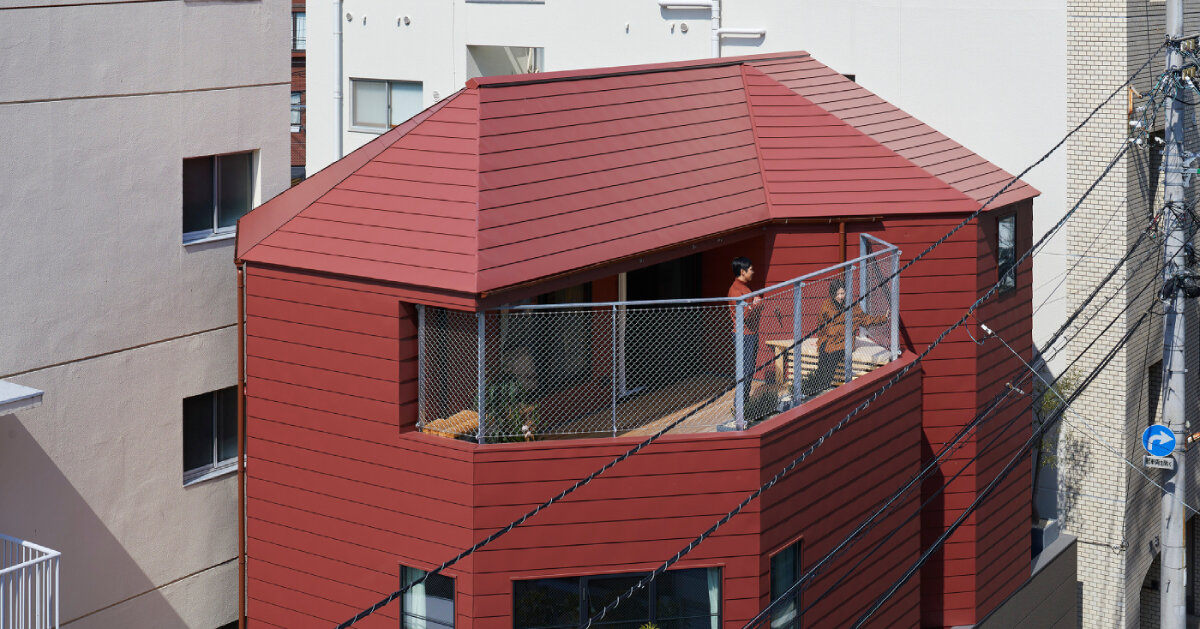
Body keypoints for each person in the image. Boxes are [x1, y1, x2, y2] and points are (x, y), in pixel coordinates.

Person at [803, 278, 888, 396]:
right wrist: (820, 339)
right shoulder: (826, 305)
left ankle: (822, 387)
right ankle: (813, 386)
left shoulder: (852, 306)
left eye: (842, 293)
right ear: (832, 293)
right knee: (822, 358)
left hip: (844, 341)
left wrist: (883, 318)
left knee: (832, 359)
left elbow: (865, 319)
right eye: (837, 294)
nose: (840, 296)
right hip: (829, 339)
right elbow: (821, 325)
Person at [728, 257, 762, 418]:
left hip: (751, 334)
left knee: (749, 370)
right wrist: (756, 304)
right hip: (744, 336)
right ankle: (739, 405)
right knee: (745, 371)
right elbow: (743, 316)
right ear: (742, 271)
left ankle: (744, 402)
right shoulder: (736, 291)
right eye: (750, 269)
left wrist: (755, 304)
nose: (753, 272)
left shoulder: (745, 288)